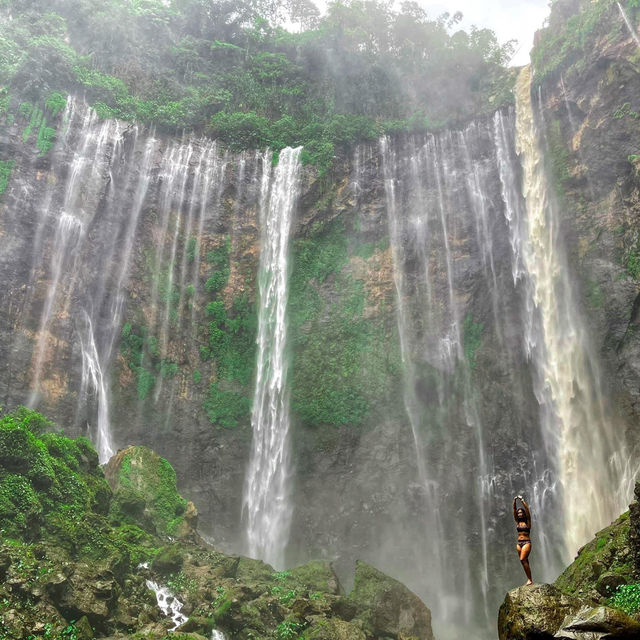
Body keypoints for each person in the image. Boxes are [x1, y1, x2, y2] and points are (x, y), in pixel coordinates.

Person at [513, 495, 533, 585]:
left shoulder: (527, 522)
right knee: (525, 561)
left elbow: (528, 511)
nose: (520, 514)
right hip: (519, 543)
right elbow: (514, 511)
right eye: (519, 513)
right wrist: (514, 502)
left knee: (522, 559)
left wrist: (522, 500)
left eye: (521, 513)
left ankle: (530, 579)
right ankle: (529, 579)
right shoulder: (517, 522)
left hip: (526, 542)